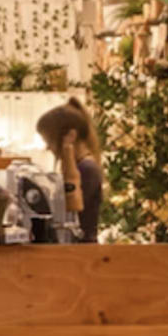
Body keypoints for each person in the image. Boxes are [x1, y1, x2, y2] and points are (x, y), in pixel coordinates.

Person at [34, 100, 104, 242]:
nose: (48, 148)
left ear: (71, 136)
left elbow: (71, 208)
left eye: (49, 141)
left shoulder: (86, 170)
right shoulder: (83, 166)